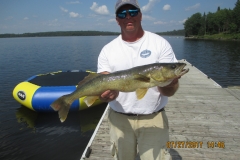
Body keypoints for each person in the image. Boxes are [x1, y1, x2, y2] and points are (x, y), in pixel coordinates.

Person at [97, 0, 179, 159]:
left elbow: (169, 92)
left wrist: (171, 81)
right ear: (117, 19)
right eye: (122, 13)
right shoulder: (107, 50)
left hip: (153, 119)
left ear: (140, 15)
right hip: (119, 120)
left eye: (133, 12)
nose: (128, 16)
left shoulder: (160, 44)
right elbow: (103, 84)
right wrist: (105, 95)